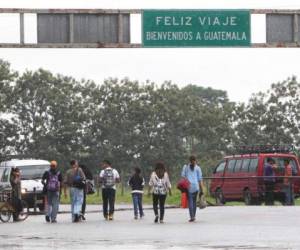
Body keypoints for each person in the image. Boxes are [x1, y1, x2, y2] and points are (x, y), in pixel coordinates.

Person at [181, 155, 205, 222]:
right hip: (196, 187)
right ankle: (193, 216)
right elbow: (200, 180)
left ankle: (192, 217)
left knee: (190, 202)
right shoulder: (198, 168)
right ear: (195, 160)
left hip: (189, 186)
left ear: (189, 161)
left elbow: (183, 177)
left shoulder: (185, 167)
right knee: (194, 202)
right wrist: (202, 190)